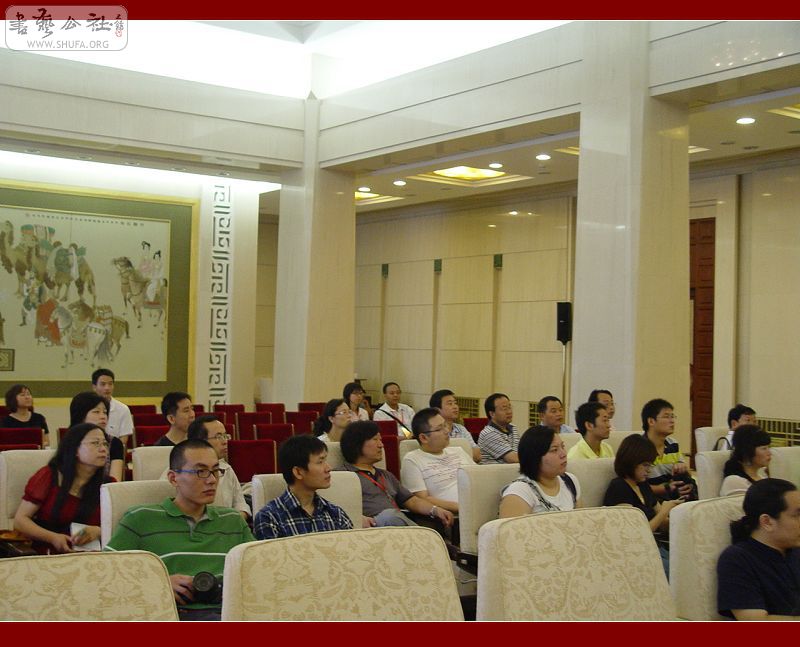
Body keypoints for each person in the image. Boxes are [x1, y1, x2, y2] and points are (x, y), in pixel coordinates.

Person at [105, 439, 254, 621]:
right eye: (201, 472)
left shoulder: (232, 520)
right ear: (173, 478)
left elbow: (258, 570)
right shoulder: (140, 518)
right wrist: (159, 583)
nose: (212, 480)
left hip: (232, 613)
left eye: (216, 471)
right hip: (172, 614)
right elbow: (106, 572)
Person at [14, 422, 114, 553]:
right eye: (95, 443)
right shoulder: (49, 476)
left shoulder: (108, 485)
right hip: (46, 552)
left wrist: (99, 531)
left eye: (105, 444)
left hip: (91, 556)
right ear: (75, 449)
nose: (103, 449)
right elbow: (20, 521)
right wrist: (53, 538)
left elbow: (120, 524)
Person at [338, 420, 454, 528]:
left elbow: (412, 501)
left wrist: (435, 510)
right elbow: (335, 507)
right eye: (375, 439)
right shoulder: (342, 475)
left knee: (393, 516)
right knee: (388, 516)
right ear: (357, 444)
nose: (381, 445)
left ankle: (426, 537)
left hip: (396, 523)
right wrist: (358, 518)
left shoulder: (386, 475)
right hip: (370, 527)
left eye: (380, 440)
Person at [717, 478, 800, 620]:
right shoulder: (737, 559)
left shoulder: (795, 550)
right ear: (767, 522)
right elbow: (756, 621)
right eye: (797, 515)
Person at [602, 434, 684, 574]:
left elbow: (662, 523)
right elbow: (635, 534)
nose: (649, 470)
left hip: (653, 546)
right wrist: (664, 511)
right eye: (645, 465)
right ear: (631, 461)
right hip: (634, 553)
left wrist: (679, 515)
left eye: (650, 465)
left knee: (686, 563)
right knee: (676, 572)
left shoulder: (642, 485)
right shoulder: (619, 487)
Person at [254, 435, 353, 539]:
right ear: (298, 472)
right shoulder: (269, 518)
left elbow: (352, 547)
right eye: (320, 462)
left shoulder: (336, 514)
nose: (328, 468)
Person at [160, 415, 250, 519]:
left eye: (225, 436)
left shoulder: (226, 469)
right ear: (200, 441)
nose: (225, 441)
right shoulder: (178, 473)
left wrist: (232, 522)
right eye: (218, 437)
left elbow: (240, 505)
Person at [401, 407, 472, 514]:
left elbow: (480, 477)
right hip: (456, 514)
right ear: (424, 438)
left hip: (482, 503)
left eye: (445, 425)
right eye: (439, 429)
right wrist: (463, 507)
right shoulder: (412, 460)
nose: (447, 431)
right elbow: (422, 499)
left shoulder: (458, 451)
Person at [499, 425, 582, 518]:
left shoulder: (571, 480)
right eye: (554, 450)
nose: (563, 454)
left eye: (563, 446)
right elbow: (511, 527)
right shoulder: (520, 492)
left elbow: (581, 521)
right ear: (535, 457)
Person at [641, 398, 696, 501]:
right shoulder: (639, 447)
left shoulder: (672, 444)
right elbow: (636, 487)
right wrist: (666, 488)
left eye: (672, 416)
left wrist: (682, 468)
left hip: (673, 496)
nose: (672, 421)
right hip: (652, 500)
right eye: (666, 417)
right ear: (651, 421)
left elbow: (687, 472)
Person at [70, 391, 125, 482]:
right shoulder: (70, 441)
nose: (103, 416)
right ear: (81, 415)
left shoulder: (114, 443)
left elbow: (114, 483)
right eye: (96, 412)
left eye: (105, 412)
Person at [429, 388, 481, 463]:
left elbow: (477, 455)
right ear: (437, 410)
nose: (455, 407)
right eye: (450, 404)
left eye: (455, 403)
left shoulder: (461, 429)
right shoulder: (432, 431)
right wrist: (464, 452)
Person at [719, 425, 772, 497]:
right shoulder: (734, 482)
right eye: (764, 448)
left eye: (769, 448)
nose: (769, 453)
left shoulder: (762, 477)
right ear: (747, 451)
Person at [91, 368, 134, 449]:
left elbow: (123, 438)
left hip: (113, 451)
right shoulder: (86, 407)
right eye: (103, 384)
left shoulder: (123, 409)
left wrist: (110, 450)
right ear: (94, 387)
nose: (107, 388)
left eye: (110, 384)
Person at [478, 393, 521, 464]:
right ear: (492, 414)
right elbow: (512, 459)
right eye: (504, 409)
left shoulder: (513, 428)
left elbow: (521, 452)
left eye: (509, 407)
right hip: (495, 471)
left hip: (514, 469)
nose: (509, 412)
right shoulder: (489, 433)